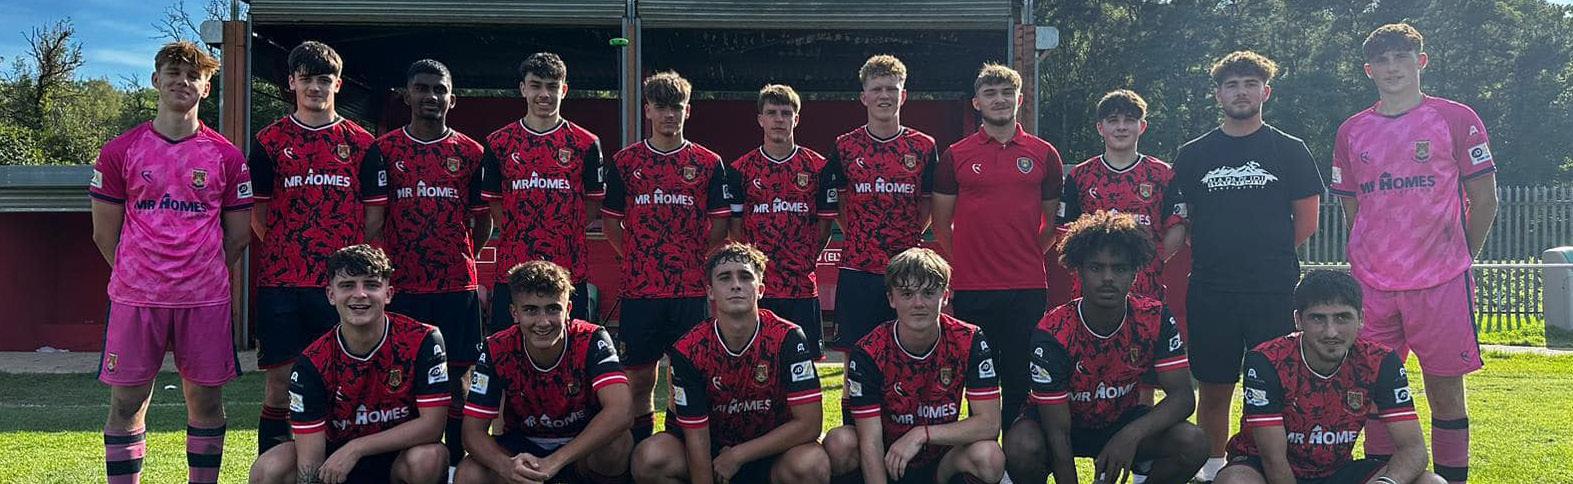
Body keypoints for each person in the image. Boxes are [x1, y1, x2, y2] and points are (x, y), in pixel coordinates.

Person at [1329, 23, 1498, 483]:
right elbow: (1352, 206)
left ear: (1421, 62)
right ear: (1369, 70)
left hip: (1441, 283)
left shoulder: (1455, 118)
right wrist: (1371, 255)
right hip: (1373, 286)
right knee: (1376, 395)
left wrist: (1460, 257)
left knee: (1445, 393)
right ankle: (1385, 477)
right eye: (1381, 60)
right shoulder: (1352, 130)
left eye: (1401, 57)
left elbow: (1485, 200)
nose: (1392, 68)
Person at [89, 40, 252, 484]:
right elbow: (104, 233)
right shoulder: (120, 151)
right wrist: (138, 273)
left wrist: (201, 272)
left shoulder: (227, 156)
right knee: (127, 404)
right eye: (174, 73)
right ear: (156, 80)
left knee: (206, 405)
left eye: (193, 75)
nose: (183, 81)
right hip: (136, 299)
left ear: (206, 86)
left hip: (204, 301)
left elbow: (238, 236)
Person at [1166, 50, 1324, 481]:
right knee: (1214, 386)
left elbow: (1307, 220)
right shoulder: (1194, 154)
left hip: (1272, 289)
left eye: (1250, 84)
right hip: (1211, 288)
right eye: (1232, 85)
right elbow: (1182, 220)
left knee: (1271, 386)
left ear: (1265, 92)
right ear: (1218, 94)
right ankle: (1212, 468)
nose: (1241, 92)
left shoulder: (1289, 150)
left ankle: (1264, 465)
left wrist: (1265, 254)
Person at [250, 40, 386, 453]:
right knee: (280, 383)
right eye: (306, 78)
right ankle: (275, 469)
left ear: (338, 84)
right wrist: (289, 250)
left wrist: (345, 265)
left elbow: (374, 216)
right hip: (282, 283)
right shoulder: (269, 141)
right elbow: (258, 213)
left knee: (343, 379)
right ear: (292, 82)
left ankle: (343, 465)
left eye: (324, 79)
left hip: (341, 286)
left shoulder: (362, 143)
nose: (315, 87)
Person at [1003, 211, 1206, 484]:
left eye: (1119, 268)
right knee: (1021, 446)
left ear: (1135, 273)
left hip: (1121, 420)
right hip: (1061, 427)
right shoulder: (1053, 331)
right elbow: (1057, 434)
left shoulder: (1154, 317)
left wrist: (1130, 435)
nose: (1108, 277)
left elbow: (1183, 397)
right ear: (1078, 271)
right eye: (1096, 268)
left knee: (1193, 442)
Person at [364, 59, 488, 472]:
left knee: (458, 382)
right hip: (404, 287)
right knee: (398, 379)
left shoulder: (471, 153)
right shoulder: (384, 150)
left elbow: (482, 222)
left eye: (439, 89)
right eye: (422, 88)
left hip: (456, 286)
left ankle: (452, 468)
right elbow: (374, 222)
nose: (431, 96)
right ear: (407, 95)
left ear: (452, 98)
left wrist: (460, 255)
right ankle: (400, 466)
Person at [601, 70, 734, 442]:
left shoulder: (708, 162)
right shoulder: (625, 162)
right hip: (641, 291)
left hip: (689, 291)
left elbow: (720, 225)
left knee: (686, 375)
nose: (669, 115)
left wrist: (694, 261)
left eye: (676, 107)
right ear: (648, 110)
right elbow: (611, 224)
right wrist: (636, 258)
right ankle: (641, 449)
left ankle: (680, 448)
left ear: (688, 110)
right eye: (660, 107)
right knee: (639, 379)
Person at [1214, 270, 1444, 484]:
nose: (1331, 331)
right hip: (1265, 469)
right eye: (1318, 318)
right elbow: (1273, 459)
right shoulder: (1267, 361)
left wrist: (1386, 483)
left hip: (1337, 471)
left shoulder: (1380, 361)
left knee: (1432, 483)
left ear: (1361, 318)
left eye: (1342, 317)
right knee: (1234, 481)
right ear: (1298, 320)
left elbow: (1413, 448)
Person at [630, 242, 829, 484]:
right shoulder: (688, 350)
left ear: (761, 289)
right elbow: (696, 437)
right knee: (650, 457)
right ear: (710, 292)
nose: (736, 285)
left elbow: (810, 424)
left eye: (745, 277)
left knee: (811, 464)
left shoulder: (788, 338)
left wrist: (738, 456)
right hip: (710, 455)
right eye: (725, 278)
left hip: (772, 452)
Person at [249, 245, 449, 484]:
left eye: (371, 285)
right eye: (347, 285)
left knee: (429, 458)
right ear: (330, 295)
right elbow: (310, 463)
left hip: (398, 459)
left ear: (388, 294)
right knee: (270, 467)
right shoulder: (312, 362)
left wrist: (357, 448)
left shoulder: (422, 340)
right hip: (334, 466)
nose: (360, 294)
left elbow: (433, 426)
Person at [932, 63, 1063, 424]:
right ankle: (981, 452)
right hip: (973, 287)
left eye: (1007, 93)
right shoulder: (956, 155)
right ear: (976, 102)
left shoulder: (1044, 154)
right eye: (990, 93)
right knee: (977, 377)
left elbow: (1051, 225)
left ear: (1019, 100)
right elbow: (941, 224)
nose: (999, 100)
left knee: (1020, 377)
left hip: (1027, 286)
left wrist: (1024, 256)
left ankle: (1015, 454)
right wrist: (968, 260)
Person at [824, 248, 1005, 484]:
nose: (918, 303)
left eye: (928, 293)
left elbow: (989, 424)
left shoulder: (969, 339)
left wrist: (922, 434)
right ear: (891, 299)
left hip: (941, 456)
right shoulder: (869, 350)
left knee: (989, 456)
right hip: (887, 457)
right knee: (840, 442)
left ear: (945, 295)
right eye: (907, 294)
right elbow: (870, 440)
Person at [455, 261, 633, 483]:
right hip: (522, 446)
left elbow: (622, 410)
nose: (543, 322)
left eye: (553, 308)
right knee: (470, 473)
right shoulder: (496, 348)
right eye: (531, 310)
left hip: (582, 446)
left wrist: (555, 461)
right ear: (514, 313)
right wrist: (507, 466)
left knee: (617, 445)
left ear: (568, 310)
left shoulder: (591, 339)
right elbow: (472, 432)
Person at [481, 52, 606, 327]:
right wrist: (523, 231)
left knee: (571, 346)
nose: (544, 94)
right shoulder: (499, 143)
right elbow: (496, 206)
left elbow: (593, 204)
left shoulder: (585, 143)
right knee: (508, 347)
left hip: (568, 271)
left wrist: (562, 230)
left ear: (564, 90)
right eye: (536, 85)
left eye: (552, 86)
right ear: (523, 88)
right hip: (513, 270)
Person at [825, 54, 939, 351]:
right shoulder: (845, 146)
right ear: (864, 97)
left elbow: (928, 206)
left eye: (891, 88)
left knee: (908, 348)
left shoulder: (924, 146)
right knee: (855, 351)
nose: (884, 95)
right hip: (858, 267)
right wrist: (862, 236)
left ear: (904, 95)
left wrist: (903, 236)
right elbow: (840, 204)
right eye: (877, 89)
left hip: (906, 268)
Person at [727, 83, 837, 360]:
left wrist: (803, 259)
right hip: (759, 289)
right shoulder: (740, 169)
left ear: (796, 119)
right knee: (757, 363)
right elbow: (735, 228)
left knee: (806, 367)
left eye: (786, 113)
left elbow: (824, 228)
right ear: (760, 119)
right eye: (772, 113)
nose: (779, 119)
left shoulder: (818, 167)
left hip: (802, 288)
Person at [1058, 89, 1184, 302]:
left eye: (1130, 120)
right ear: (1100, 127)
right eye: (1113, 120)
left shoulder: (1162, 174)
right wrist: (1091, 266)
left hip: (1145, 291)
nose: (1121, 127)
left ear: (1142, 126)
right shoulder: (1080, 176)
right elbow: (1064, 230)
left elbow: (1177, 226)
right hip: (1091, 292)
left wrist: (1149, 261)